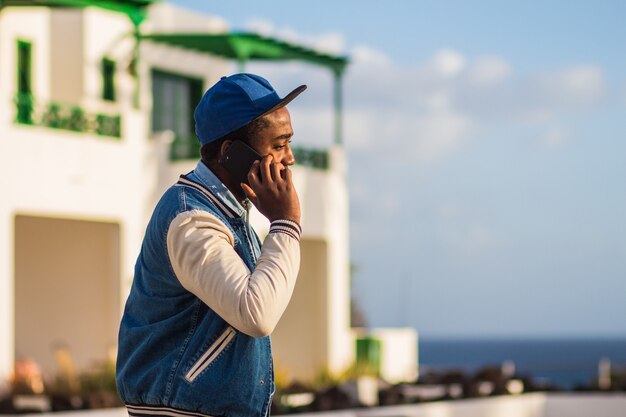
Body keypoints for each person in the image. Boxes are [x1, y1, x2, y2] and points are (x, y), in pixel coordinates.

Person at [116, 73, 307, 417]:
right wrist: (286, 223)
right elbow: (257, 314)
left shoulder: (229, 215)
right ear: (231, 154)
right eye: (278, 145)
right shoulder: (191, 220)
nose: (289, 158)